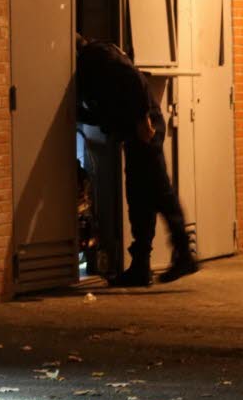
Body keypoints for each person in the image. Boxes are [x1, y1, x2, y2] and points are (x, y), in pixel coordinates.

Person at [76, 34, 198, 287]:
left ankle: (183, 252)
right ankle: (142, 266)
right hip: (136, 130)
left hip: (144, 128)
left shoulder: (95, 56)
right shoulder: (95, 58)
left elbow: (133, 79)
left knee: (159, 192)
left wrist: (143, 120)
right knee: (140, 195)